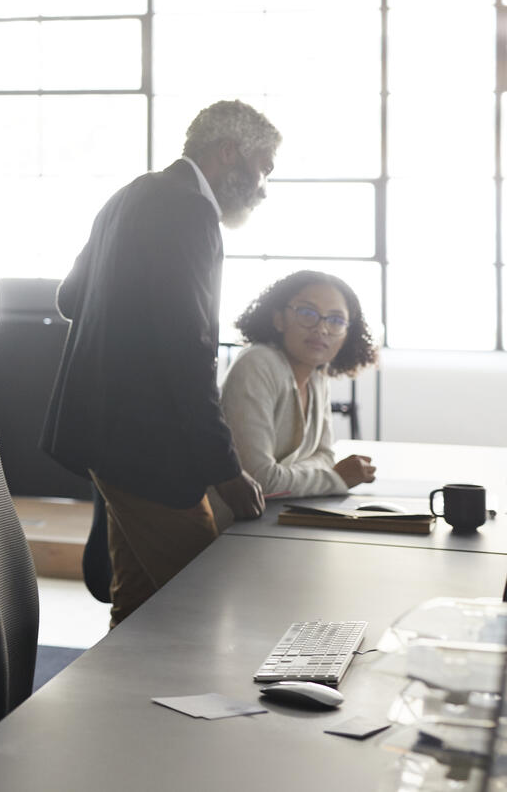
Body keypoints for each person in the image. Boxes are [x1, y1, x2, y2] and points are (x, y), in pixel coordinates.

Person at [40, 100, 281, 626]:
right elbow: (186, 350)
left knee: (140, 607)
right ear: (228, 152)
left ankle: (115, 707)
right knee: (200, 606)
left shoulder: (130, 195)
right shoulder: (191, 211)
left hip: (103, 442)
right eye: (263, 169)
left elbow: (69, 298)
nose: (264, 188)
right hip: (150, 448)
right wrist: (226, 470)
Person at [207, 270, 380, 528]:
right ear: (279, 319)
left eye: (335, 320)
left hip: (276, 518)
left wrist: (290, 475)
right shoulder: (258, 364)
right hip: (228, 530)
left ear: (347, 334)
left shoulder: (317, 376)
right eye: (307, 313)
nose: (321, 328)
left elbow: (324, 456)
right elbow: (257, 480)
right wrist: (336, 479)